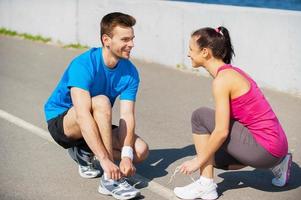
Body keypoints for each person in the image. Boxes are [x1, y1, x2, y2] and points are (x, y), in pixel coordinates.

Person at [173, 26, 292, 200]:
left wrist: (198, 161)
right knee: (215, 157)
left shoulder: (222, 80)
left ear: (205, 52)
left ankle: (206, 185)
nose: (188, 54)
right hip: (278, 147)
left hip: (265, 150)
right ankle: (279, 164)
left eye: (191, 49)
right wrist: (204, 155)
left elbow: (221, 131)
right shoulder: (232, 72)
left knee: (200, 116)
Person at [44, 12, 149, 200]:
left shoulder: (130, 71)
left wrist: (126, 155)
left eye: (132, 39)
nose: (131, 44)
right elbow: (83, 114)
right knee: (101, 101)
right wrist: (105, 161)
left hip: (97, 117)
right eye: (125, 39)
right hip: (64, 121)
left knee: (139, 151)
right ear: (106, 40)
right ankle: (109, 180)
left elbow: (127, 116)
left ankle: (84, 151)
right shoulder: (83, 64)